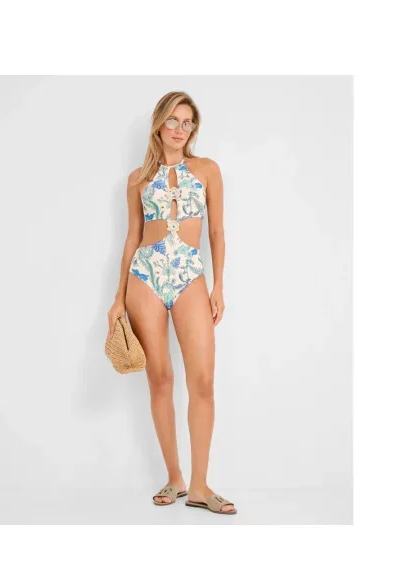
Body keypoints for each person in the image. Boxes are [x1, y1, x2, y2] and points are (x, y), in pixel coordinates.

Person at [107, 91, 236, 515]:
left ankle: (200, 485)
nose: (181, 129)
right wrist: (118, 299)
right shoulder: (137, 179)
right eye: (173, 120)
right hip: (144, 277)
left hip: (189, 276)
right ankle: (175, 477)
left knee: (203, 381)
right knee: (160, 379)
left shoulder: (207, 170)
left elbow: (216, 232)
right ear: (159, 124)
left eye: (188, 122)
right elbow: (132, 236)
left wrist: (218, 287)